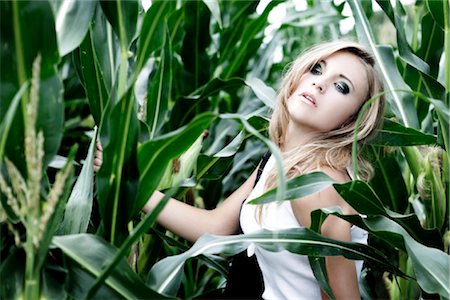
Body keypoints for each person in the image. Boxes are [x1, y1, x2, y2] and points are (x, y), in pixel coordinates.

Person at [94, 40, 385, 299]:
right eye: (317, 69)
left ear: (352, 121)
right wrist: (127, 182)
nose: (320, 84)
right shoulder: (278, 161)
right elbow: (215, 228)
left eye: (342, 87)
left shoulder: (319, 187)